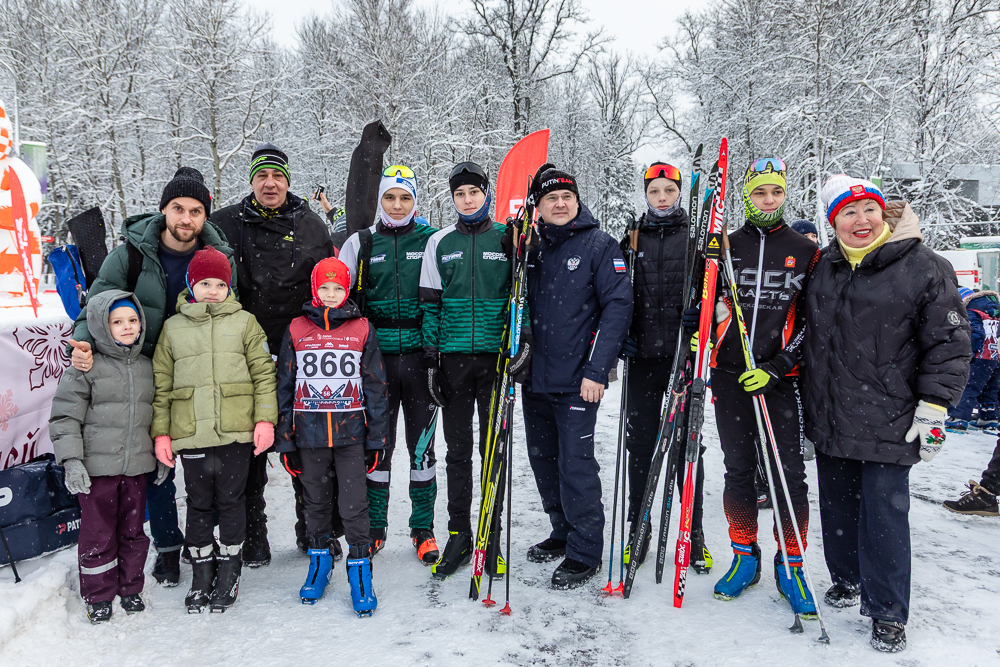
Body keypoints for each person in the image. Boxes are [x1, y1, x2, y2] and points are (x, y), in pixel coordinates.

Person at [802, 175, 971, 652]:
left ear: (885, 213)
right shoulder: (825, 266)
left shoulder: (924, 267)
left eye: (869, 210)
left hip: (891, 418)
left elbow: (950, 343)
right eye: (848, 213)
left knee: (884, 514)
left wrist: (935, 406)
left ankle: (888, 611)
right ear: (833, 221)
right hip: (832, 413)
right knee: (836, 505)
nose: (861, 220)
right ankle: (848, 578)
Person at [67, 167, 234, 587]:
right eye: (178, 208)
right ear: (164, 210)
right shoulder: (132, 254)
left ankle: (212, 544)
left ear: (205, 216)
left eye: (196, 211)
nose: (186, 218)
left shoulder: (217, 256)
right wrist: (83, 342)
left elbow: (235, 310)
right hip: (140, 369)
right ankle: (168, 547)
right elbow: (99, 299)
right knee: (154, 465)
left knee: (207, 463)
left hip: (198, 373)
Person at [212, 142, 337, 567]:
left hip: (300, 349)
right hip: (244, 351)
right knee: (252, 444)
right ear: (251, 180)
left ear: (288, 181)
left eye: (278, 176)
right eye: (262, 176)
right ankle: (253, 535)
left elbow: (328, 288)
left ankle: (313, 528)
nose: (270, 183)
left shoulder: (311, 225)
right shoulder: (225, 223)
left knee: (307, 443)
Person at [707, 158, 820, 616]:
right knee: (738, 470)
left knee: (788, 474)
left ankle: (791, 565)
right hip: (730, 376)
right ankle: (743, 558)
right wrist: (704, 335)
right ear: (746, 195)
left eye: (775, 192)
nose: (768, 200)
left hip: (778, 379)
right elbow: (704, 304)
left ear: (784, 193)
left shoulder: (806, 250)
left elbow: (814, 322)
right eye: (759, 192)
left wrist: (779, 365)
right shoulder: (724, 247)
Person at [520, 164, 632, 589]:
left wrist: (597, 369)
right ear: (539, 206)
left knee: (576, 465)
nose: (560, 204)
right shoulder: (530, 248)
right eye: (551, 198)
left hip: (578, 381)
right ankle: (563, 531)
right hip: (533, 379)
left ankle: (585, 550)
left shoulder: (600, 246)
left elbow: (618, 307)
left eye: (567, 196)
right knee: (543, 461)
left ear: (578, 200)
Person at [151, 247, 278, 613]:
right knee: (198, 504)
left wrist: (265, 420)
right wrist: (162, 433)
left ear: (229, 287)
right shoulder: (173, 329)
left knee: (232, 500)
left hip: (235, 430)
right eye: (204, 283)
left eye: (219, 284)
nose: (212, 290)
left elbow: (263, 375)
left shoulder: (245, 323)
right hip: (190, 432)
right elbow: (161, 384)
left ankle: (229, 570)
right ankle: (202, 573)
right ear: (192, 285)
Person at [419, 161, 525, 580]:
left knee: (492, 452)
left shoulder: (507, 237)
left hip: (496, 361)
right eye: (459, 194)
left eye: (474, 193)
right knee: (458, 452)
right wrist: (431, 359)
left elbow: (522, 295)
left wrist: (523, 343)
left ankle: (491, 535)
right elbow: (430, 304)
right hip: (454, 361)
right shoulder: (440, 243)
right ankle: (459, 534)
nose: (467, 200)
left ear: (487, 195)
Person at [275, 257, 387, 614]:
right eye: (324, 287)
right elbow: (284, 386)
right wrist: (285, 440)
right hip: (308, 436)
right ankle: (320, 562)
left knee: (354, 506)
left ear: (347, 289)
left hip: (350, 435)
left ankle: (359, 568)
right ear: (314, 289)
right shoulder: (296, 329)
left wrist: (377, 439)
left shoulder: (361, 329)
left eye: (338, 287)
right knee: (316, 502)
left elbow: (376, 386)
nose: (330, 294)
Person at [340, 166, 440, 563]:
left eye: (405, 198)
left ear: (415, 201)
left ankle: (423, 529)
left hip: (419, 360)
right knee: (377, 450)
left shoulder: (432, 240)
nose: (397, 206)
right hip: (375, 363)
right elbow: (335, 293)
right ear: (380, 200)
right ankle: (375, 527)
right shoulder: (361, 243)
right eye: (390, 198)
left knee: (422, 450)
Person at [618, 162, 712, 571]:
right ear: (646, 194)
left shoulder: (697, 240)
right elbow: (616, 294)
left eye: (668, 192)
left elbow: (719, 291)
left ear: (678, 195)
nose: (661, 198)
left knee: (686, 446)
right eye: (654, 191)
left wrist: (701, 314)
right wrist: (623, 330)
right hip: (642, 359)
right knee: (639, 444)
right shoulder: (631, 238)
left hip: (683, 357)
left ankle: (692, 534)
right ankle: (638, 527)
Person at [50, 292, 163, 623]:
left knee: (133, 532)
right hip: (96, 470)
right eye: (117, 322)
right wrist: (71, 460)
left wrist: (160, 455)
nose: (127, 327)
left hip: (136, 468)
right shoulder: (86, 367)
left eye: (132, 320)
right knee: (98, 534)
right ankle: (98, 594)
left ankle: (130, 587)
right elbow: (65, 417)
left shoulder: (148, 366)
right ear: (102, 326)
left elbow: (157, 415)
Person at [945, 287, 1000, 431]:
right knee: (990, 388)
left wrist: (969, 352)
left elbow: (976, 334)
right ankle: (989, 418)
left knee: (968, 386)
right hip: (994, 356)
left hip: (979, 355)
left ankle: (958, 417)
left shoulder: (972, 311)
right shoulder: (993, 311)